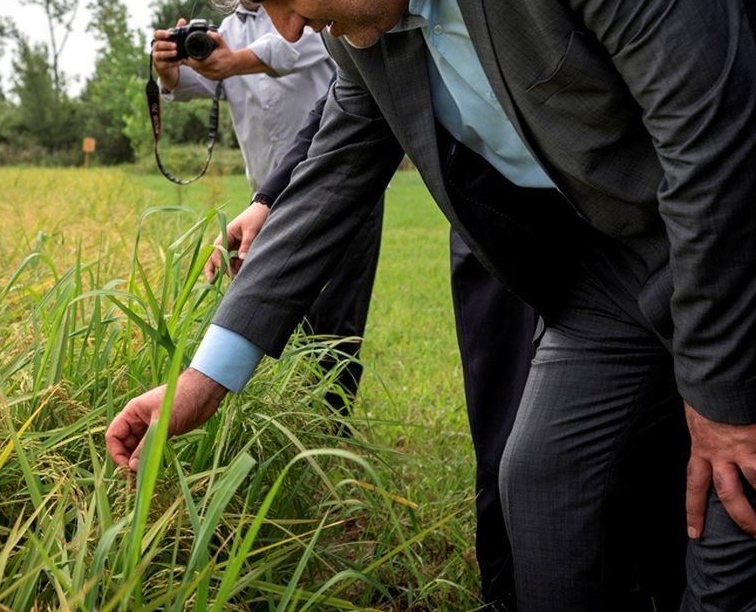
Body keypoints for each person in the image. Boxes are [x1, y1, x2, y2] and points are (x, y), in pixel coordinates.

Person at [108, 0, 756, 609]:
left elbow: (712, 138)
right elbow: (331, 174)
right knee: (549, 488)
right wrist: (204, 383)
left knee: (742, 531)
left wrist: (725, 398)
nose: (288, 27)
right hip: (630, 247)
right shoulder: (364, 9)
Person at [210, 90, 549, 609]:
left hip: (622, 215)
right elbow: (345, 115)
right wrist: (267, 197)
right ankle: (507, 592)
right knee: (501, 427)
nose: (295, 27)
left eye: (281, 0)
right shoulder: (359, 40)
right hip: (487, 217)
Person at [153, 1, 382, 415]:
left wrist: (230, 61)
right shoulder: (227, 28)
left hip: (337, 187)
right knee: (280, 315)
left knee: (335, 323)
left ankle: (332, 428)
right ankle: (291, 421)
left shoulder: (306, 5)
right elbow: (200, 82)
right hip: (264, 201)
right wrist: (171, 70)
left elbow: (288, 49)